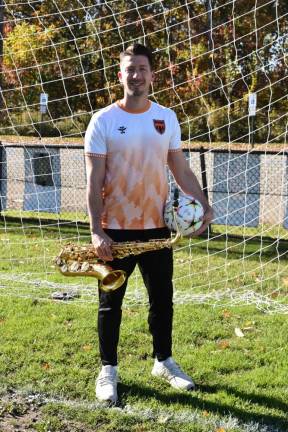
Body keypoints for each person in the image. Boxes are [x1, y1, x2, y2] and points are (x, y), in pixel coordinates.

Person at [84, 43, 213, 405]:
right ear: (120, 75)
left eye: (142, 69)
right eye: (130, 69)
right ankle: (108, 369)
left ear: (152, 75)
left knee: (162, 299)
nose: (136, 75)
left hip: (158, 227)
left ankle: (164, 361)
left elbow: (181, 169)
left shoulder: (166, 118)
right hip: (116, 230)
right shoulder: (103, 120)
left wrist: (204, 205)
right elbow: (94, 183)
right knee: (110, 303)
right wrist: (97, 230)